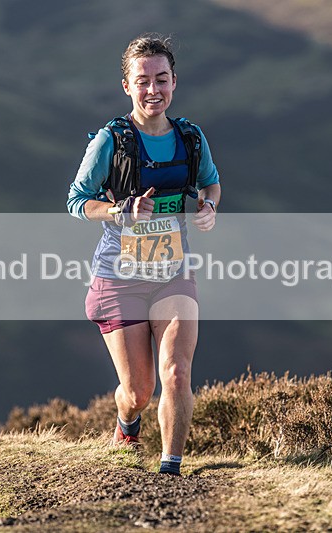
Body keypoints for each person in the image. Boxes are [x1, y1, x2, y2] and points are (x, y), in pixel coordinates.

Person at [67, 34, 221, 476]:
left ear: (174, 82)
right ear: (127, 86)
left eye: (162, 79)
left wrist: (209, 206)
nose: (153, 90)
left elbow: (210, 181)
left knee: (175, 373)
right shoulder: (111, 141)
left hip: (174, 272)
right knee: (138, 390)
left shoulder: (191, 138)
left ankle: (170, 469)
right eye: (143, 81)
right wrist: (119, 210)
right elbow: (78, 200)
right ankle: (127, 425)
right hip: (119, 278)